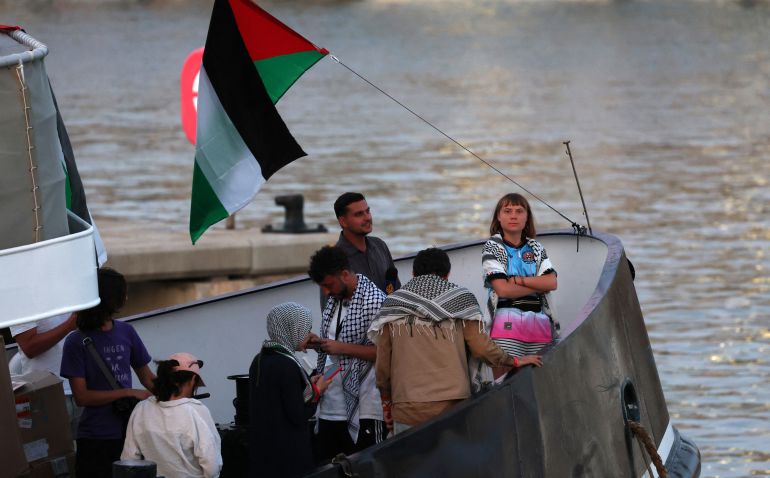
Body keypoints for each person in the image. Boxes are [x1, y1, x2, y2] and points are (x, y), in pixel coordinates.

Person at [369, 248, 542, 434]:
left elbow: (383, 366)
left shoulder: (392, 304)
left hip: (408, 409)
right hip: (453, 407)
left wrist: (386, 403)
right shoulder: (461, 299)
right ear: (447, 275)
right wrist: (514, 360)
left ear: (413, 274)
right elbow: (482, 349)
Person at [60, 267, 155, 478]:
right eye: (123, 292)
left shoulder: (126, 331)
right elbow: (82, 397)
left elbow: (148, 378)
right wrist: (128, 393)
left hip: (130, 432)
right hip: (95, 438)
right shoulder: (75, 341)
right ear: (110, 299)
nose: (127, 296)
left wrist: (177, 396)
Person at [304, 246, 387, 461]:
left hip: (365, 409)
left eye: (328, 285)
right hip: (331, 409)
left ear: (345, 275)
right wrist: (320, 344)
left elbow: (387, 353)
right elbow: (338, 349)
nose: (325, 292)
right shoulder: (335, 301)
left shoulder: (375, 301)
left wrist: (341, 348)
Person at [249, 303, 333, 478]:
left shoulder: (260, 358)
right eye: (304, 330)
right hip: (289, 456)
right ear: (291, 329)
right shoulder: (287, 365)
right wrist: (317, 392)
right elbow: (298, 416)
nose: (308, 335)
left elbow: (277, 400)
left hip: (265, 452)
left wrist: (307, 384)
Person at [482, 193, 558, 376]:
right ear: (498, 217)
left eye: (519, 211)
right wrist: (537, 284)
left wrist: (518, 280)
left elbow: (552, 282)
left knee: (540, 383)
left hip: (539, 326)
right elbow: (502, 289)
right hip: (506, 326)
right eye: (507, 211)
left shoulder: (536, 248)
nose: (513, 215)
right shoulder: (492, 247)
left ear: (527, 217)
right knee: (505, 384)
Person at [122, 352, 222, 478]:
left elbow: (129, 460)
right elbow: (212, 466)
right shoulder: (196, 410)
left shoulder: (142, 409)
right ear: (192, 380)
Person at [9, 312, 80, 435]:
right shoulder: (19, 296)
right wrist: (70, 325)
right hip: (49, 394)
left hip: (87, 388)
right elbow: (29, 347)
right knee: (57, 451)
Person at [333, 192, 400, 295]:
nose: (367, 218)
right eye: (359, 214)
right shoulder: (334, 261)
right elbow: (331, 309)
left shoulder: (380, 245)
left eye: (367, 211)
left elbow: (396, 290)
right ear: (343, 221)